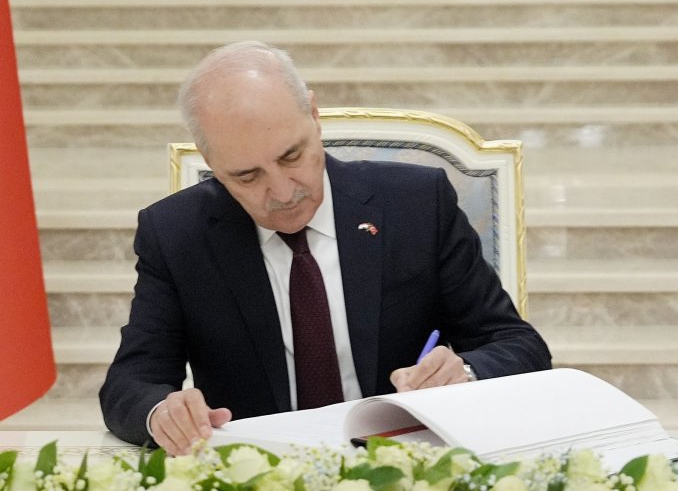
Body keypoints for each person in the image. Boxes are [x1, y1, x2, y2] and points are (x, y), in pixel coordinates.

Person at [99, 41, 552, 455]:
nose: (282, 192)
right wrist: (163, 412)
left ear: (314, 116)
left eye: (291, 156)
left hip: (404, 463)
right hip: (263, 473)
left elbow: (519, 345)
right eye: (247, 176)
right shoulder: (175, 233)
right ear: (211, 162)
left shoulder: (417, 204)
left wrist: (465, 372)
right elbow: (130, 382)